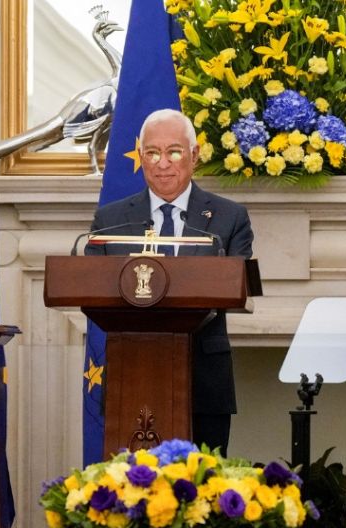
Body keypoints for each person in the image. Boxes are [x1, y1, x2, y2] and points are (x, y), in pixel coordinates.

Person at [86, 108, 254, 454]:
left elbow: (237, 284)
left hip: (204, 382)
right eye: (153, 152)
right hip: (130, 379)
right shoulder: (111, 219)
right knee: (130, 494)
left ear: (194, 156)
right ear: (141, 157)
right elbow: (92, 284)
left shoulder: (230, 217)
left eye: (174, 152)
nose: (163, 163)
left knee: (204, 493)